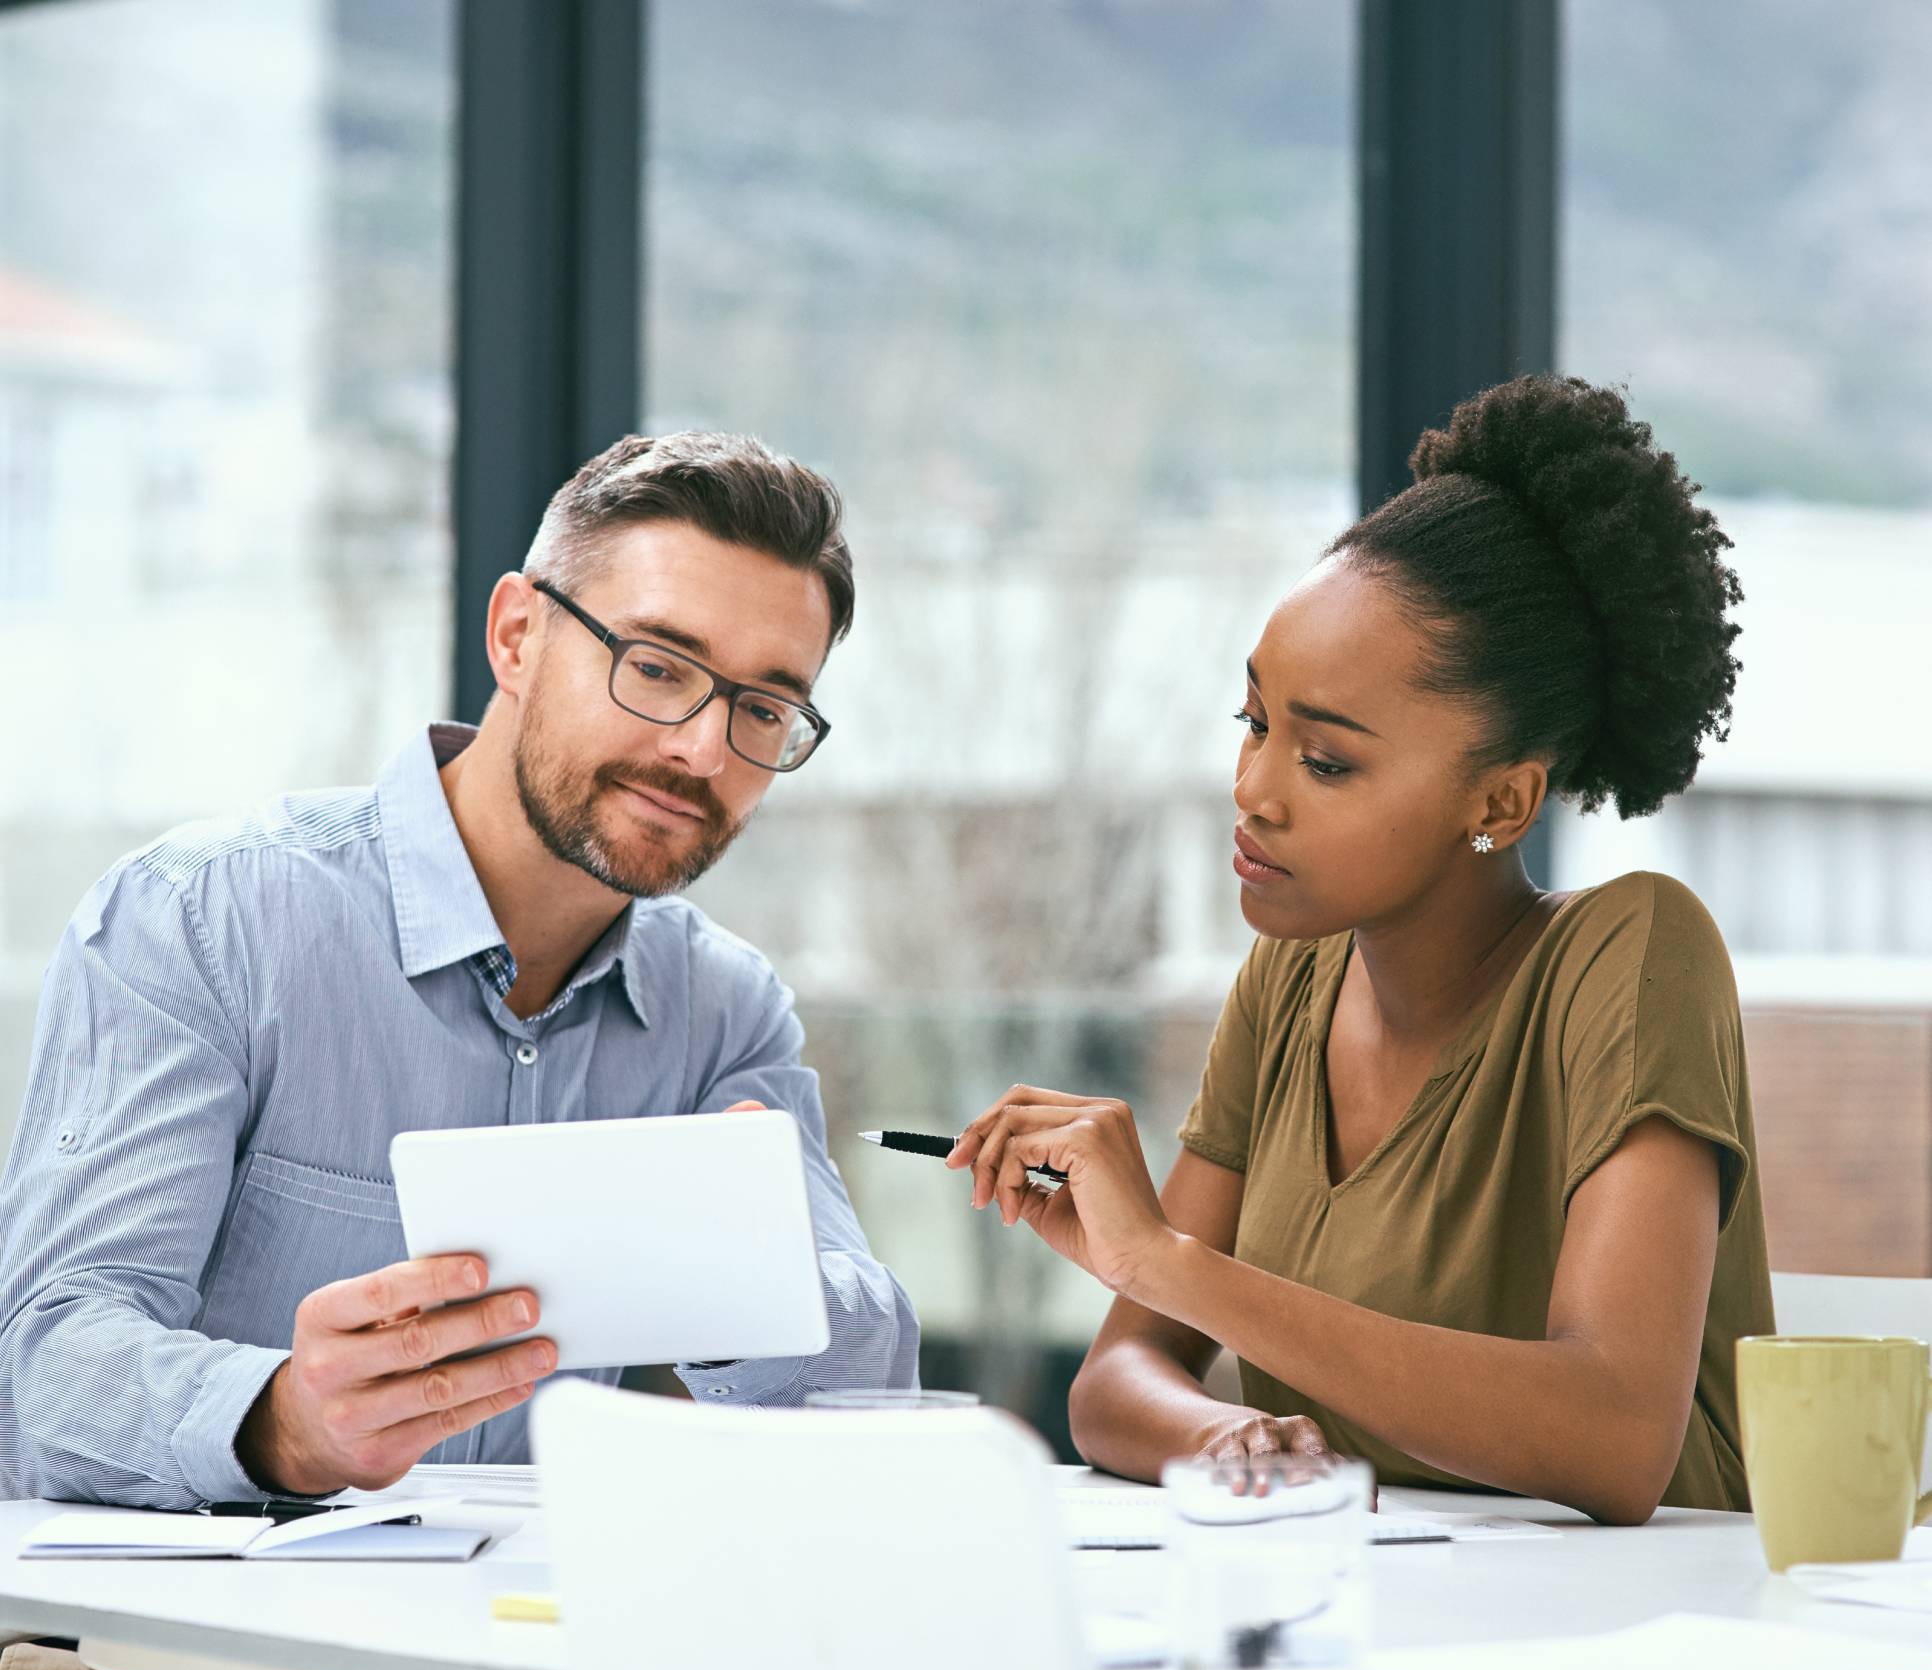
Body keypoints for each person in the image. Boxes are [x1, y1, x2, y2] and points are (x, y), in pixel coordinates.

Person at [0, 431, 918, 1510]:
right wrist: (286, 1419)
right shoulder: (208, 916)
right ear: (518, 635)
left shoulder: (724, 1012)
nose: (703, 751)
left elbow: (864, 1399)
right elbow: (46, 1364)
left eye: (763, 707)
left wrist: (752, 1276)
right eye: (659, 668)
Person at [948, 375, 1770, 1523]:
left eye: (1326, 761)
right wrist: (1238, 1434)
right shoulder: (1292, 980)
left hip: (1651, 1625)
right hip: (1384, 1611)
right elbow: (1115, 1388)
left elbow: (1617, 1435)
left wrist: (1170, 1263)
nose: (1252, 790)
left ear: (1502, 797)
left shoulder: (1632, 955)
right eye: (1254, 723)